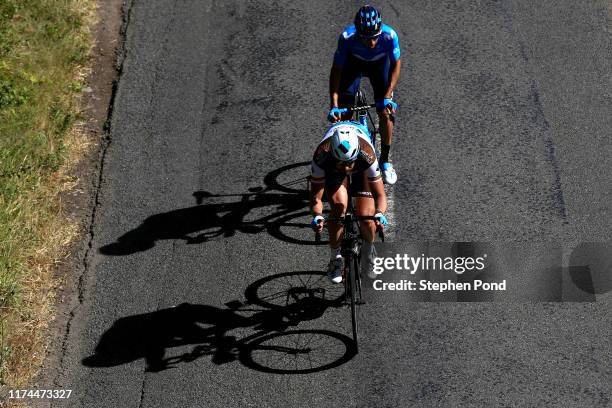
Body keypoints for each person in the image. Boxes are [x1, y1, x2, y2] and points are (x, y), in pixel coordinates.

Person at [328, 4, 401, 185]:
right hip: (354, 65)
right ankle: (340, 161)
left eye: (375, 37)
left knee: (385, 113)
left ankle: (384, 161)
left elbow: (396, 65)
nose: (371, 43)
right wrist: (334, 104)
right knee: (343, 116)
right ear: (358, 33)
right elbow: (337, 70)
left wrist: (387, 96)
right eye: (365, 38)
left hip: (379, 67)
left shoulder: (389, 36)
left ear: (380, 30)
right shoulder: (347, 38)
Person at [310, 121, 389, 283]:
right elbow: (316, 197)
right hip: (333, 171)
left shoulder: (367, 155)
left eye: (349, 163)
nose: (347, 169)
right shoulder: (321, 155)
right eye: (342, 164)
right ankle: (335, 258)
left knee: (367, 216)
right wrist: (317, 216)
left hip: (361, 168)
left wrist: (380, 213)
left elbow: (380, 195)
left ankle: (369, 251)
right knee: (339, 208)